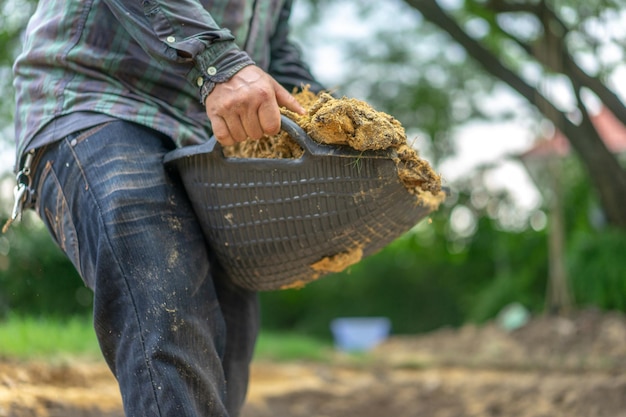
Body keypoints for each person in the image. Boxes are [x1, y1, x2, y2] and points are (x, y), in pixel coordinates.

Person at [10, 1, 324, 416]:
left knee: (226, 347)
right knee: (168, 305)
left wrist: (321, 114)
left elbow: (272, 44)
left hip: (212, 136)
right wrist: (217, 63)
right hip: (99, 98)